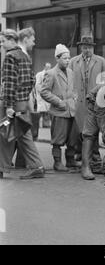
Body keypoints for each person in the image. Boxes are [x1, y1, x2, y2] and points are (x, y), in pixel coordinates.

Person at [0, 29, 45, 180]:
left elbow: (9, 84)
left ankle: (4, 167)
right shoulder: (25, 56)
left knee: (5, 134)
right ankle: (36, 166)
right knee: (21, 134)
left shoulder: (10, 56)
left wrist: (8, 106)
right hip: (23, 101)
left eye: (3, 41)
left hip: (12, 102)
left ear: (11, 40)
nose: (1, 44)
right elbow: (32, 80)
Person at [69, 35, 105, 160]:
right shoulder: (73, 61)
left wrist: (99, 94)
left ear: (93, 48)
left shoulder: (101, 61)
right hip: (79, 100)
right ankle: (79, 152)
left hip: (94, 99)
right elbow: (69, 81)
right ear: (81, 47)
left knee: (94, 126)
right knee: (79, 126)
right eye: (85, 47)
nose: (87, 50)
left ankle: (95, 153)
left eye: (90, 48)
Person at [41, 44, 78, 172]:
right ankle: (57, 162)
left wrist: (75, 97)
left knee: (73, 137)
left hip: (72, 110)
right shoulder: (51, 73)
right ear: (57, 59)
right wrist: (58, 102)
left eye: (69, 58)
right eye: (64, 58)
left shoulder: (71, 72)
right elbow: (44, 92)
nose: (68, 60)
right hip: (59, 111)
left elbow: (73, 89)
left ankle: (70, 160)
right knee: (58, 138)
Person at [35, 62, 52, 128]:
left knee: (47, 112)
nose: (48, 68)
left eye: (49, 67)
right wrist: (42, 92)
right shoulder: (39, 74)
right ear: (44, 66)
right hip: (41, 95)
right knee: (41, 112)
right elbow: (37, 84)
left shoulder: (51, 74)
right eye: (47, 66)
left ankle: (46, 125)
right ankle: (39, 125)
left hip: (49, 94)